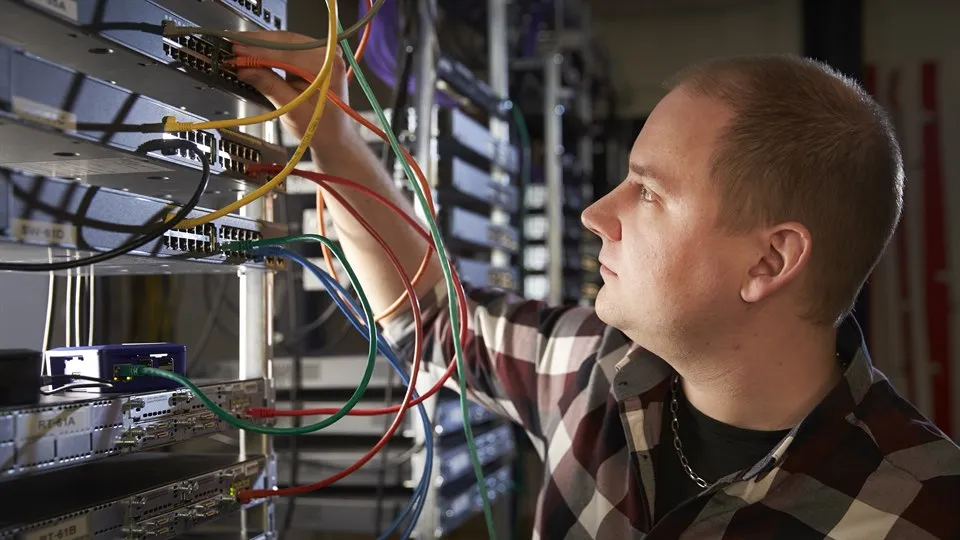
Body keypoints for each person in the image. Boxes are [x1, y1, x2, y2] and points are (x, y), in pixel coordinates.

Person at [235, 32, 960, 539]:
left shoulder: (918, 512)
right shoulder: (594, 371)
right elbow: (429, 316)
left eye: (647, 192)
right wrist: (329, 132)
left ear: (769, 262)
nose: (593, 214)